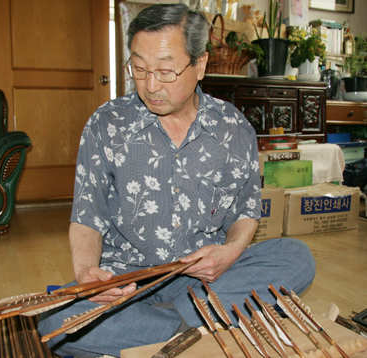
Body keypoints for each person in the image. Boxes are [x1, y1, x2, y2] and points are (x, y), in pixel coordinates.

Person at [38, 4, 315, 357]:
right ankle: (193, 327)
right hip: (128, 286)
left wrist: (229, 253)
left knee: (296, 257)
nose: (151, 85)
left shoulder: (233, 129)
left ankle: (158, 329)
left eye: (166, 70)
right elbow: (86, 218)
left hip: (207, 281)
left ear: (200, 64)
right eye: (139, 69)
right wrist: (86, 272)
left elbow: (246, 211)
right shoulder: (107, 125)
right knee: (56, 322)